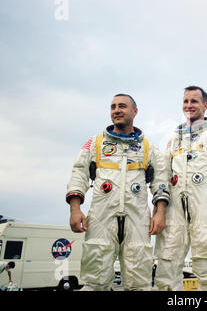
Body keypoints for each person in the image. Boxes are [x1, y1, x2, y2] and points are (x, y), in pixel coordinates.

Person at [66, 94, 170, 291]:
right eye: (113, 107)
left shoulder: (148, 148)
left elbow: (161, 181)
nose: (117, 110)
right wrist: (75, 209)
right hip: (102, 217)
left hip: (137, 219)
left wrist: (160, 212)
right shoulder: (95, 143)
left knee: (139, 281)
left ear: (135, 112)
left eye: (122, 106)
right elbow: (78, 173)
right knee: (95, 280)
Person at [154, 86, 207, 291]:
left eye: (194, 101)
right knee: (166, 263)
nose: (189, 105)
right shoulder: (174, 138)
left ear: (205, 105)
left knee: (206, 262)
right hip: (175, 207)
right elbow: (161, 175)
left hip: (206, 205)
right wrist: (159, 210)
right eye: (186, 101)